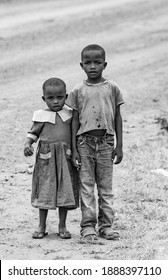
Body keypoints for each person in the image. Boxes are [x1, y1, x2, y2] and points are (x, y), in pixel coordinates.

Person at [66, 44, 124, 243]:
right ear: (81, 65)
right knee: (86, 186)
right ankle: (88, 227)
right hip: (84, 144)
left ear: (104, 64)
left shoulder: (112, 88)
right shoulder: (77, 90)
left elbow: (117, 117)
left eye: (97, 62)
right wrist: (74, 149)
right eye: (88, 63)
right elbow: (74, 120)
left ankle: (106, 226)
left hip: (107, 143)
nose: (93, 66)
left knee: (106, 188)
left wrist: (119, 145)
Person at [24, 77, 79, 239]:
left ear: (66, 96)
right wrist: (28, 144)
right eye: (50, 98)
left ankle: (62, 226)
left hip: (65, 160)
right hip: (46, 160)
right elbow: (33, 133)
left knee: (64, 190)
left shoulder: (70, 115)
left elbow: (76, 134)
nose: (55, 101)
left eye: (59, 97)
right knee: (45, 191)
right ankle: (42, 226)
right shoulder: (41, 116)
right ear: (44, 99)